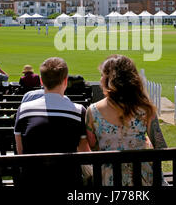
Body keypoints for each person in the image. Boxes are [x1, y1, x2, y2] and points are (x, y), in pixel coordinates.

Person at [85, 55, 168, 186]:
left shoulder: (92, 111)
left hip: (107, 181)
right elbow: (161, 147)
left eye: (102, 75)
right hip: (143, 181)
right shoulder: (146, 109)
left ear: (109, 80)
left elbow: (95, 149)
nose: (100, 80)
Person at [14, 57, 89, 186]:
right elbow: (83, 154)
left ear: (41, 81)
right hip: (69, 182)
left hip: (32, 182)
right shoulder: (79, 111)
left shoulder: (23, 110)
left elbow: (21, 152)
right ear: (66, 81)